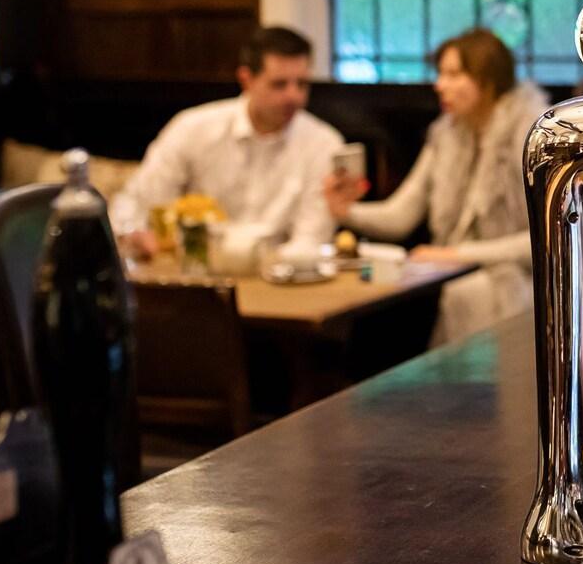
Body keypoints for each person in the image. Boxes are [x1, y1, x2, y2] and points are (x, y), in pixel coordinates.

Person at [324, 29, 547, 346]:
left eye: (454, 74)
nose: (440, 85)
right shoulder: (445, 134)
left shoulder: (529, 136)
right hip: (454, 277)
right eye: (440, 74)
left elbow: (543, 239)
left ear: (488, 78)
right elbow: (400, 215)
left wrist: (456, 254)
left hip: (523, 282)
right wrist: (345, 210)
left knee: (471, 294)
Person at [110, 26, 344, 260]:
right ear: (246, 80)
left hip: (280, 276)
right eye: (279, 84)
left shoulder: (324, 144)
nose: (294, 96)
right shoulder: (193, 128)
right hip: (198, 273)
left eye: (302, 84)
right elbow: (137, 200)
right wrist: (133, 232)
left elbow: (311, 240)